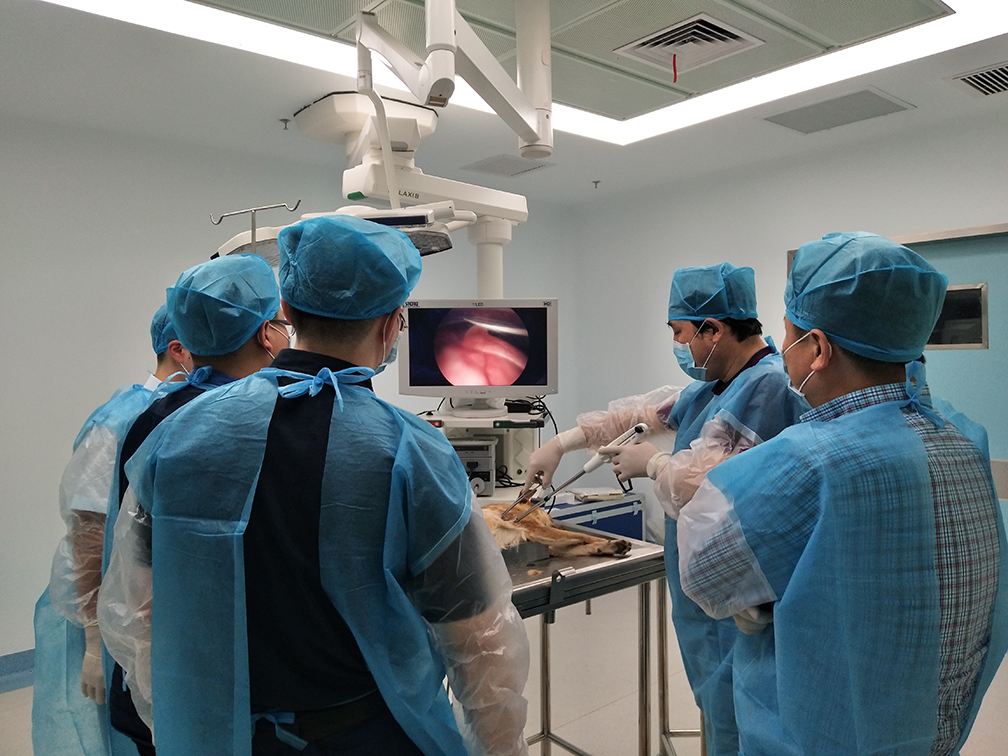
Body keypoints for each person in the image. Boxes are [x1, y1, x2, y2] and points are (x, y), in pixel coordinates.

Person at [102, 215, 530, 756]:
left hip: (219, 731)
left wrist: (185, 727)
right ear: (392, 323)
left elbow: (136, 608)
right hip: (365, 735)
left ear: (285, 308)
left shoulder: (178, 433)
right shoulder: (411, 450)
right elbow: (480, 642)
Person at [677, 232, 1008, 755]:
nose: (783, 354)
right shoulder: (964, 438)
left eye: (790, 336)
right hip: (932, 734)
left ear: (818, 349)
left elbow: (707, 579)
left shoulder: (808, 459)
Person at [524, 262, 808, 755]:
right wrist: (560, 444)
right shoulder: (715, 385)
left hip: (740, 586)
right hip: (703, 584)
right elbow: (638, 415)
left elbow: (713, 484)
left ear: (713, 330)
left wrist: (654, 464)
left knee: (738, 712)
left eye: (680, 333)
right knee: (717, 701)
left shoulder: (766, 386)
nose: (678, 345)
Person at [100, 253, 287, 756]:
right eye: (281, 324)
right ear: (266, 334)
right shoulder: (270, 422)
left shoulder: (152, 419)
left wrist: (154, 690)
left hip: (164, 672)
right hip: (253, 683)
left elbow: (138, 566)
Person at [34, 304, 192, 756]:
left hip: (155, 617)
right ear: (178, 350)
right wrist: (93, 636)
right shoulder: (123, 419)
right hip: (113, 620)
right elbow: (88, 530)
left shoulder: (194, 410)